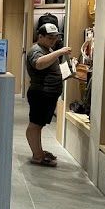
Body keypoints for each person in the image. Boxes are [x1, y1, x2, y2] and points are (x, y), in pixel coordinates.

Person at [26, 23, 71, 166]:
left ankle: (38, 151)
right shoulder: (36, 50)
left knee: (38, 124)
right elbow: (38, 64)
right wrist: (59, 52)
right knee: (35, 124)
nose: (53, 41)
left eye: (55, 38)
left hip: (47, 93)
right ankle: (37, 155)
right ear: (40, 36)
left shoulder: (46, 49)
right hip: (41, 93)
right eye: (50, 38)